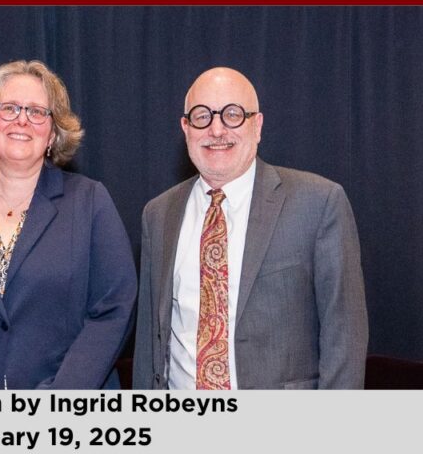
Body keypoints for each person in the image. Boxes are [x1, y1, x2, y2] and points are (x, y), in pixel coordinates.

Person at [133, 67, 368, 389]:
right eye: (202, 116)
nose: (216, 130)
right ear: (185, 128)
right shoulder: (158, 215)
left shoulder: (318, 203)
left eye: (232, 114)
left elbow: (345, 336)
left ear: (256, 125)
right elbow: (149, 341)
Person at [0, 60, 136, 389]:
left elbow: (114, 308)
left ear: (52, 132)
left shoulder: (90, 201)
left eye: (37, 112)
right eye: (8, 108)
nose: (22, 119)